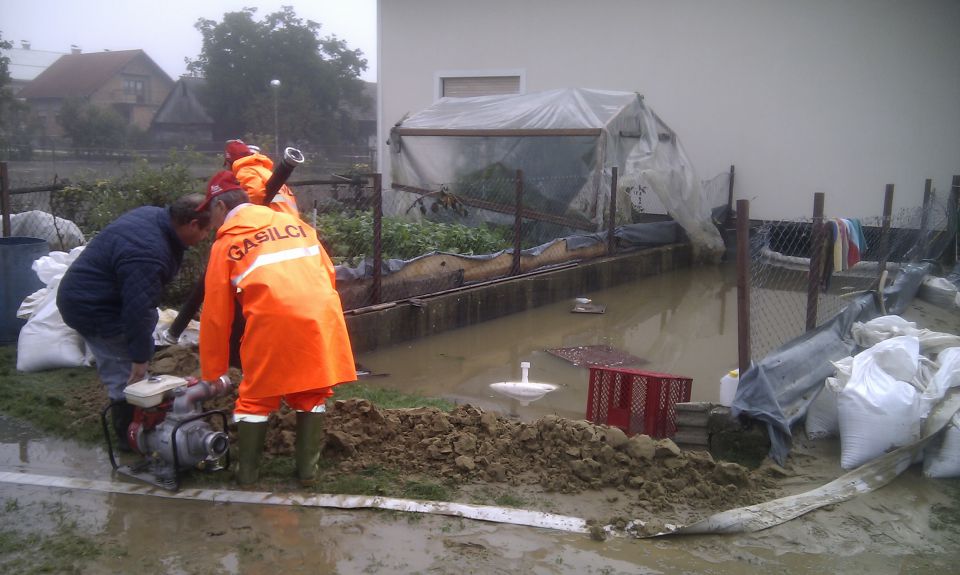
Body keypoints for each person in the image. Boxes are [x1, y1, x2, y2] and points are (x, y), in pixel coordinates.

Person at [196, 171, 356, 486]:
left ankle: (248, 475)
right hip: (319, 313)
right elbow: (327, 272)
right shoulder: (296, 225)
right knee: (310, 390)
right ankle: (308, 473)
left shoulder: (228, 243)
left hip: (273, 318)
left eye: (209, 213)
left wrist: (213, 373)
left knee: (256, 395)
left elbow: (216, 314)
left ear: (219, 207)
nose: (210, 222)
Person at [57, 194, 212, 450]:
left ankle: (140, 424)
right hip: (92, 307)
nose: (207, 236)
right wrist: (140, 360)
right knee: (127, 375)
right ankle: (129, 441)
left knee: (133, 363)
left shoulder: (153, 216)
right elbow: (138, 310)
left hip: (99, 295)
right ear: (192, 224)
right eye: (207, 230)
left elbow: (139, 303)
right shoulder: (148, 253)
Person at [223, 139, 300, 218]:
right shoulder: (264, 171)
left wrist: (242, 212)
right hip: (293, 220)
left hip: (276, 221)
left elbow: (256, 194)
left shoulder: (245, 170)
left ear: (230, 162)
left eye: (226, 165)